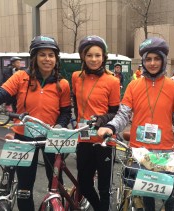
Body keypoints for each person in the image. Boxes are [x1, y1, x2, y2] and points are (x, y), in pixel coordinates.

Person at [98, 37, 174, 211]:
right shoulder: (133, 86)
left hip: (165, 151)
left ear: (163, 60)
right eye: (148, 59)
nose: (152, 63)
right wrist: (110, 127)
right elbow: (123, 115)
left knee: (169, 198)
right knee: (147, 198)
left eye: (157, 58)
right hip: (140, 150)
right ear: (143, 62)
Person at [0, 35, 71, 211]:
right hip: (24, 137)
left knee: (56, 184)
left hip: (51, 138)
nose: (47, 59)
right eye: (42, 54)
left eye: (51, 55)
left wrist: (60, 126)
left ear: (56, 59)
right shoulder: (20, 77)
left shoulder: (62, 84)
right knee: (25, 187)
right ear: (34, 57)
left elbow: (65, 112)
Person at [72, 35, 120, 211]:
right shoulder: (76, 77)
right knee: (84, 183)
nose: (94, 59)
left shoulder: (113, 81)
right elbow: (76, 104)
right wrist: (77, 122)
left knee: (104, 187)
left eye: (98, 55)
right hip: (83, 138)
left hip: (105, 139)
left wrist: (102, 120)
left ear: (104, 57)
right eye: (89, 55)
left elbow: (115, 111)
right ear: (83, 57)